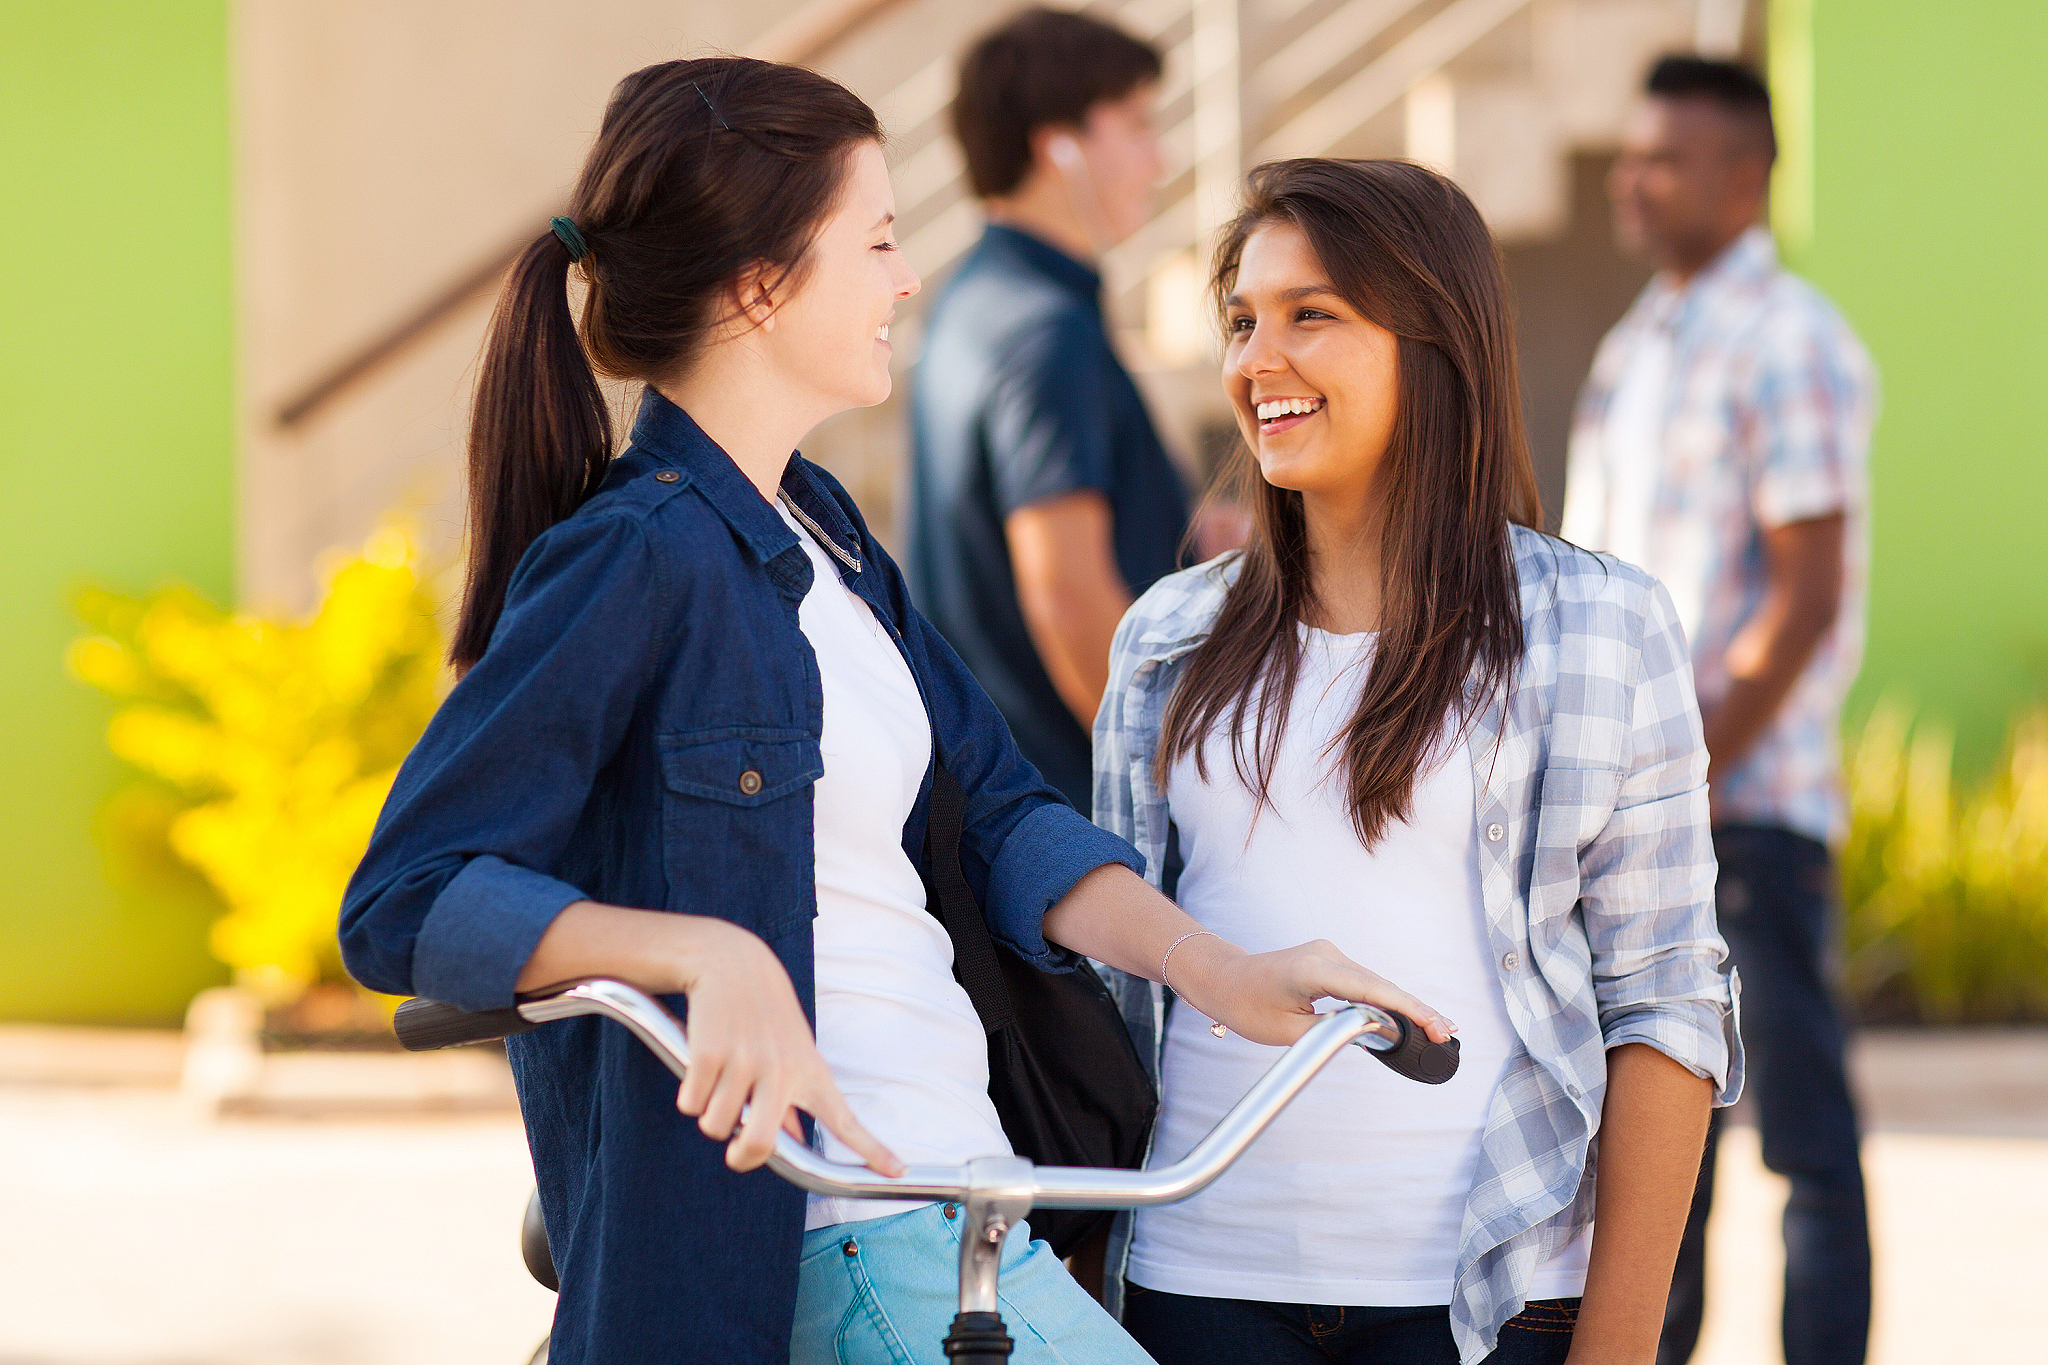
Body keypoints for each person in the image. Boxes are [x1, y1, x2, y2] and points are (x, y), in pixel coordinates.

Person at [339, 57, 1453, 1365]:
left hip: (972, 1209)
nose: (907, 277)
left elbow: (999, 810)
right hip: (838, 1234)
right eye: (876, 240)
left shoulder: (829, 539)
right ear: (761, 283)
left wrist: (1224, 973)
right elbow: (404, 898)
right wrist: (703, 956)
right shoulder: (636, 557)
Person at [1092, 158, 1744, 1365]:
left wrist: (1615, 1345)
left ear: (1431, 340)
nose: (1253, 359)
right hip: (1189, 1283)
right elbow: (1121, 973)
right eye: (1240, 320)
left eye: (1309, 316)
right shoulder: (1165, 638)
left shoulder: (1598, 625)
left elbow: (1662, 1001)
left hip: (1485, 1296)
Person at [1560, 56, 1876, 1365]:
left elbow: (1801, 596)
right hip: (1645, 822)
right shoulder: (1641, 341)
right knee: (1651, 1147)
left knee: (1801, 1144)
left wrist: (1684, 784)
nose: (1631, 178)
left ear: (1744, 178)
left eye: (1663, 160)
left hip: (1741, 816)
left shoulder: (1788, 336)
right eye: (1630, 155)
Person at [906, 8, 1191, 812]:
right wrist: (1186, 782)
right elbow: (1066, 595)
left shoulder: (977, 301)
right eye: (1136, 125)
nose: (1159, 157)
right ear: (1055, 145)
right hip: (1065, 803)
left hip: (1003, 790)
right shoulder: (1044, 331)